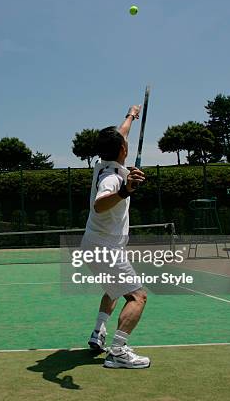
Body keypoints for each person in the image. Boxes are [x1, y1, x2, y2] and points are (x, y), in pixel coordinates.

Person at [82, 104, 150, 369]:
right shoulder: (111, 178)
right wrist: (125, 191)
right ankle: (118, 352)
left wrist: (131, 115)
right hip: (105, 247)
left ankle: (98, 333)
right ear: (124, 150)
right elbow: (99, 204)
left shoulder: (103, 163)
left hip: (93, 243)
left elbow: (122, 133)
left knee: (112, 290)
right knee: (137, 297)